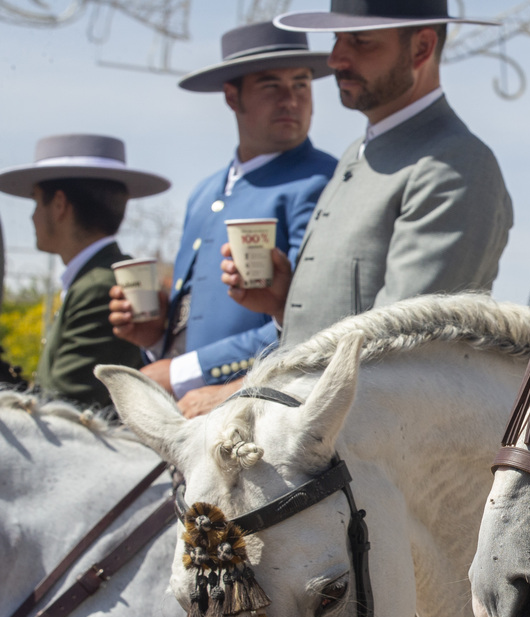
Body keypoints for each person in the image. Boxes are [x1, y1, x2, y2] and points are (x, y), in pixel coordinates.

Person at [221, 0, 513, 348]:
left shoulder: (455, 164)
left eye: (360, 41)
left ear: (421, 48)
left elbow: (404, 350)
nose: (335, 59)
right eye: (336, 39)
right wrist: (286, 306)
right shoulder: (357, 153)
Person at [108, 22, 337, 416]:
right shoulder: (204, 192)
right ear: (233, 96)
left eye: (301, 84)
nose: (291, 100)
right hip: (193, 416)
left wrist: (184, 370)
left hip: (266, 414)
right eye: (271, 86)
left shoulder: (323, 181)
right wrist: (156, 337)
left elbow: (309, 318)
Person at [0, 134, 170, 409]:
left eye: (36, 201)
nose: (31, 217)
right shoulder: (95, 278)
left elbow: (63, 405)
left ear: (59, 205)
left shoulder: (99, 287)